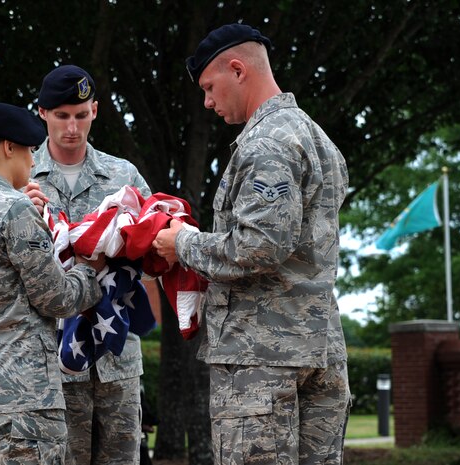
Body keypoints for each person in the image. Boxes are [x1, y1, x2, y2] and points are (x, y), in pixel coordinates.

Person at [153, 23, 351, 465]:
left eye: (209, 86)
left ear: (237, 69)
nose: (206, 101)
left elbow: (258, 246)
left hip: (261, 358)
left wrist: (182, 241)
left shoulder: (267, 143)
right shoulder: (318, 138)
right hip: (319, 348)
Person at [0, 101, 105, 465]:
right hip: (23, 397)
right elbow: (58, 299)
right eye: (30, 150)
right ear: (8, 147)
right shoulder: (16, 210)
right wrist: (89, 268)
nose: (33, 161)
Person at [25, 65, 151, 465]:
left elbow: (151, 255)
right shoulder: (22, 178)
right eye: (62, 115)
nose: (72, 128)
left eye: (81, 115)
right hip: (52, 356)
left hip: (118, 356)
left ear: (95, 110)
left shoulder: (122, 175)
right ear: (42, 113)